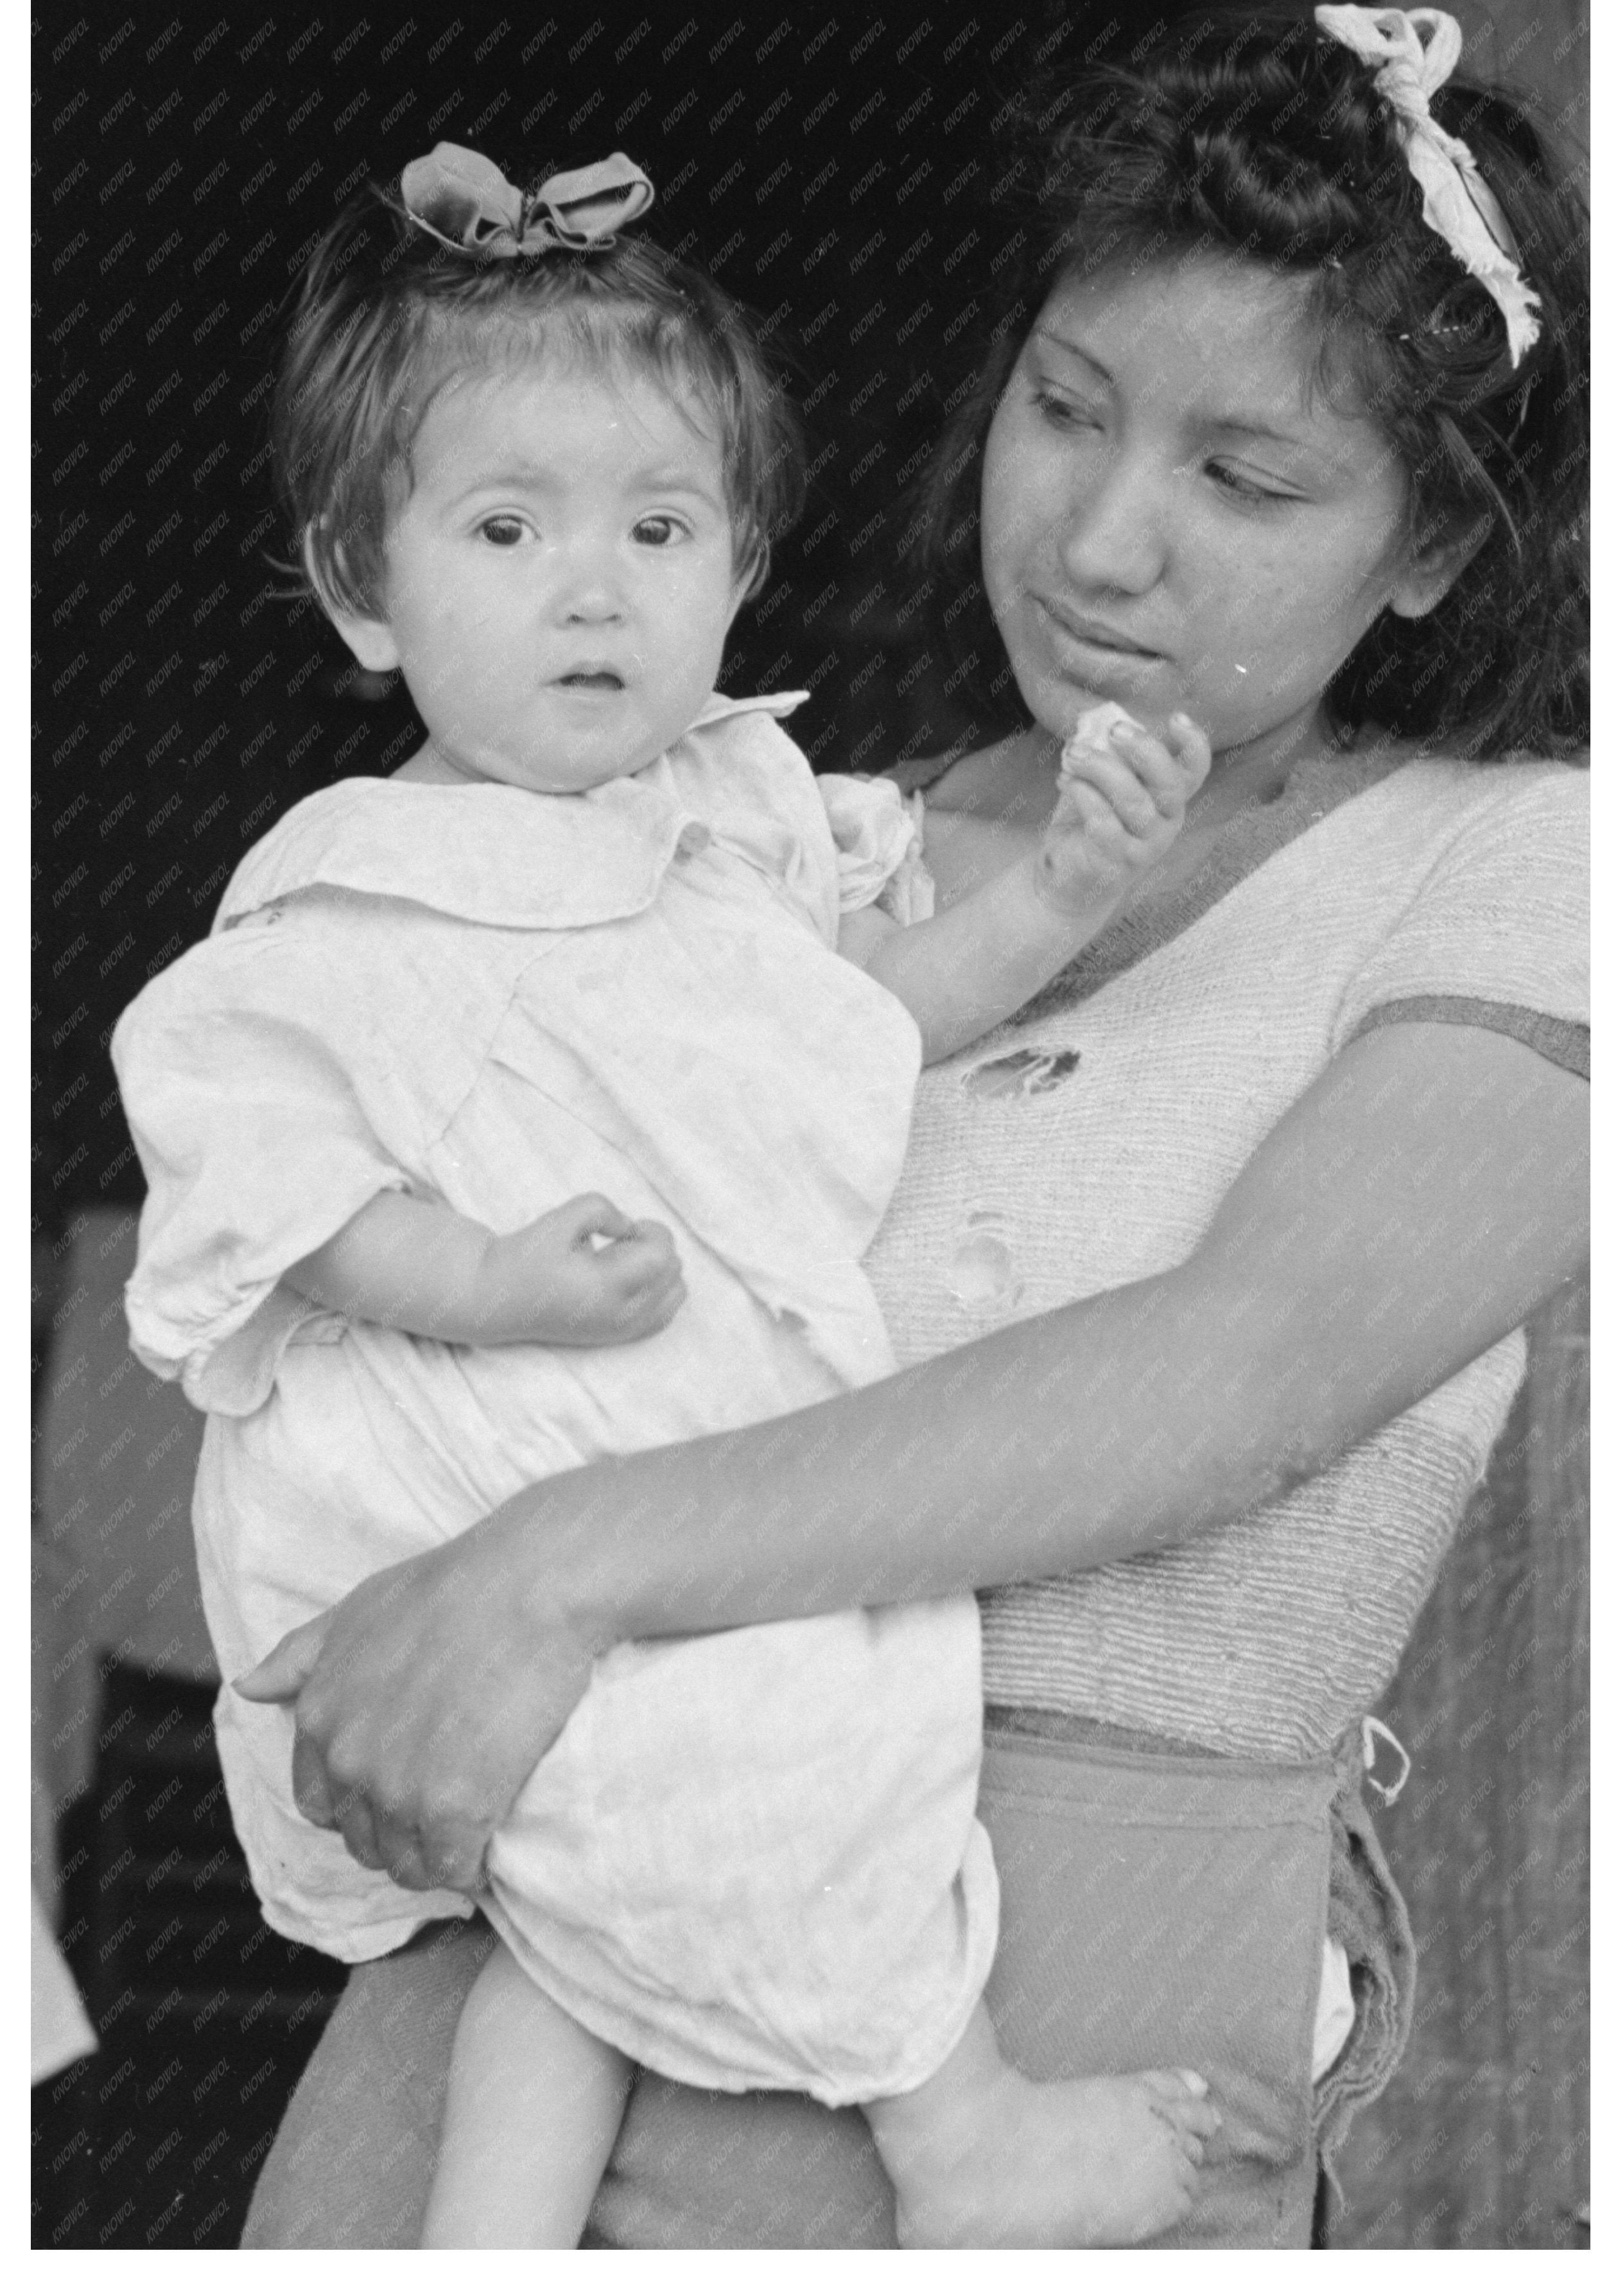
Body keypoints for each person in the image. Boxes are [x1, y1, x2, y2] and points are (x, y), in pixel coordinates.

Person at [236, 4, 1587, 2250]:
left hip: (1055, 2049)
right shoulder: (773, 847)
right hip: (523, 2006)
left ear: (1436, 547)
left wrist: (552, 1566)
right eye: (1066, 406)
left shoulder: (1520, 873)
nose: (1104, 536)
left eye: (1245, 479)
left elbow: (1233, 1380)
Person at [112, 141, 1219, 2250]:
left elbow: (874, 1017)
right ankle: (956, 2120)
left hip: (674, 1448)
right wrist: (487, 1273)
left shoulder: (741, 824)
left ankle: (488, 2247)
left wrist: (1078, 880)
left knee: (595, 1909)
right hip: (477, 1448)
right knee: (774, 1731)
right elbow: (271, 1187)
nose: (593, 588)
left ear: (741, 563)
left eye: (658, 525)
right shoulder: (343, 895)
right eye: (508, 529)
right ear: (365, 586)